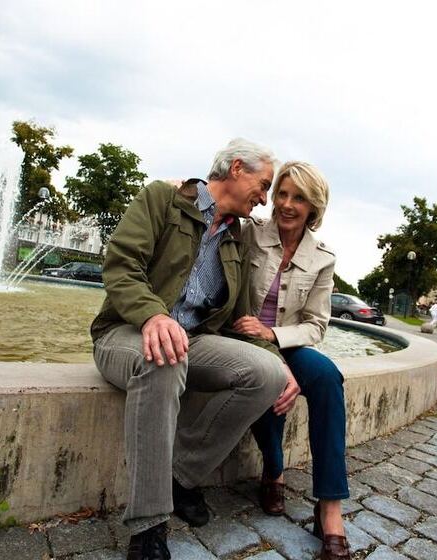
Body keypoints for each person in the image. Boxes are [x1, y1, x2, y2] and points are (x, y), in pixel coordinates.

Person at [90, 139, 291, 560]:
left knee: (266, 375)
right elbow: (122, 264)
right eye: (264, 185)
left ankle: (181, 477)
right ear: (237, 168)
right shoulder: (162, 198)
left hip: (192, 341)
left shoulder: (236, 238)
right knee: (164, 357)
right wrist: (152, 315)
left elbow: (239, 319)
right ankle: (149, 526)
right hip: (126, 332)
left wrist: (280, 363)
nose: (264, 198)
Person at [233, 161, 351, 560]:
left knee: (327, 377)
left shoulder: (323, 258)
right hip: (243, 339)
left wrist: (275, 335)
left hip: (287, 341)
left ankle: (330, 508)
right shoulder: (250, 233)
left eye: (298, 197)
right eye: (282, 194)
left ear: (313, 206)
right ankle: (275, 470)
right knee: (270, 377)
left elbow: (316, 325)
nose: (286, 204)